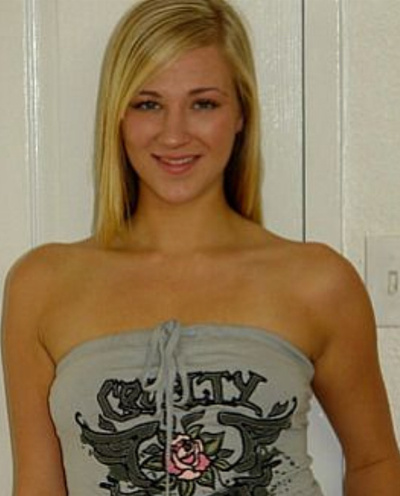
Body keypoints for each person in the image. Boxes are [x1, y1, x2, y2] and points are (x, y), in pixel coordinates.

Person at [2, 0, 400, 495]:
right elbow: (37, 485)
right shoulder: (42, 284)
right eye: (148, 104)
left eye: (203, 104)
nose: (174, 134)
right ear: (117, 116)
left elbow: (375, 461)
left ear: (241, 113)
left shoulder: (318, 281)